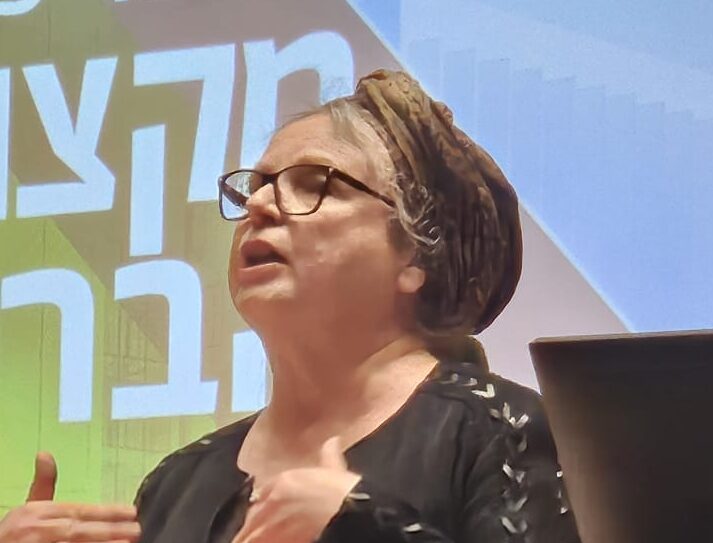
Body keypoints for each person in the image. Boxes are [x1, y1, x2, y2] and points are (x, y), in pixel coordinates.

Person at [0, 69, 580, 543]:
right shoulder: (179, 483)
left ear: (417, 254)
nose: (259, 205)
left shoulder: (506, 432)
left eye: (315, 183)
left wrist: (358, 527)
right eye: (256, 186)